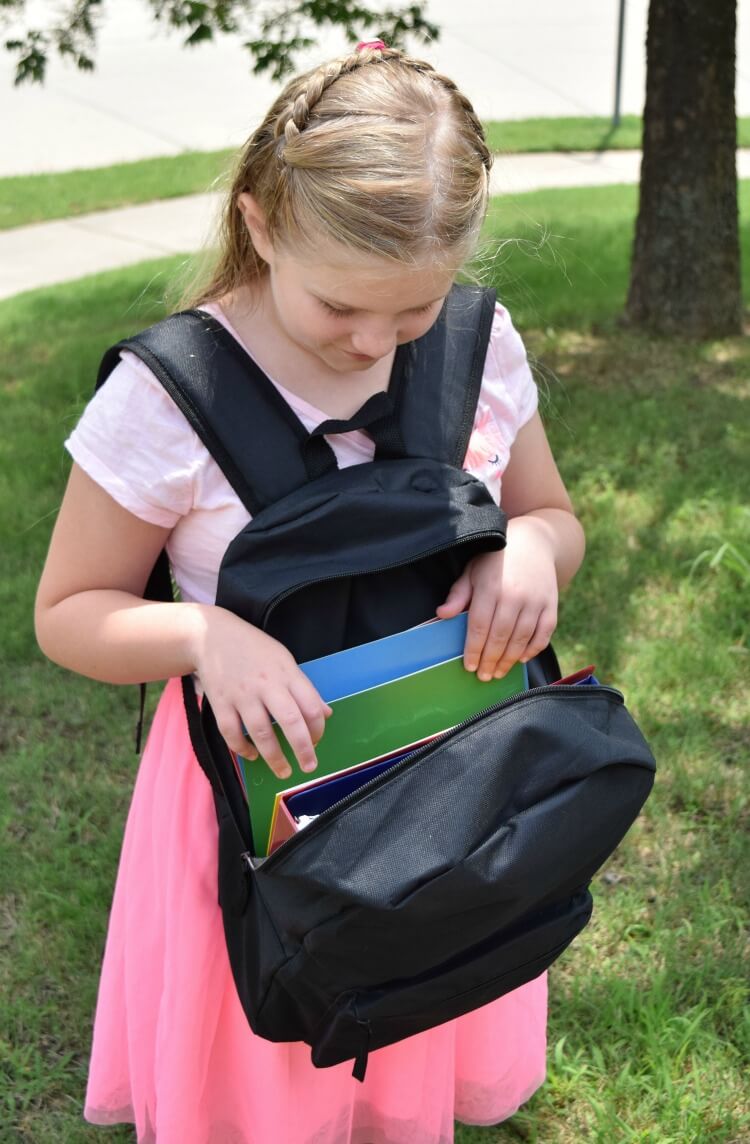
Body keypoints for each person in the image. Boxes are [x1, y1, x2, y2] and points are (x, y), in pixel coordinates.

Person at [35, 42, 585, 1144]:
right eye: (340, 304)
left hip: (444, 788)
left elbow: (552, 517)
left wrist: (526, 553)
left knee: (405, 1038)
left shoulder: (480, 349)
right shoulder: (168, 397)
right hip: (257, 810)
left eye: (414, 311)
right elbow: (68, 613)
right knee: (264, 1070)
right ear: (261, 221)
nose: (375, 343)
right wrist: (200, 634)